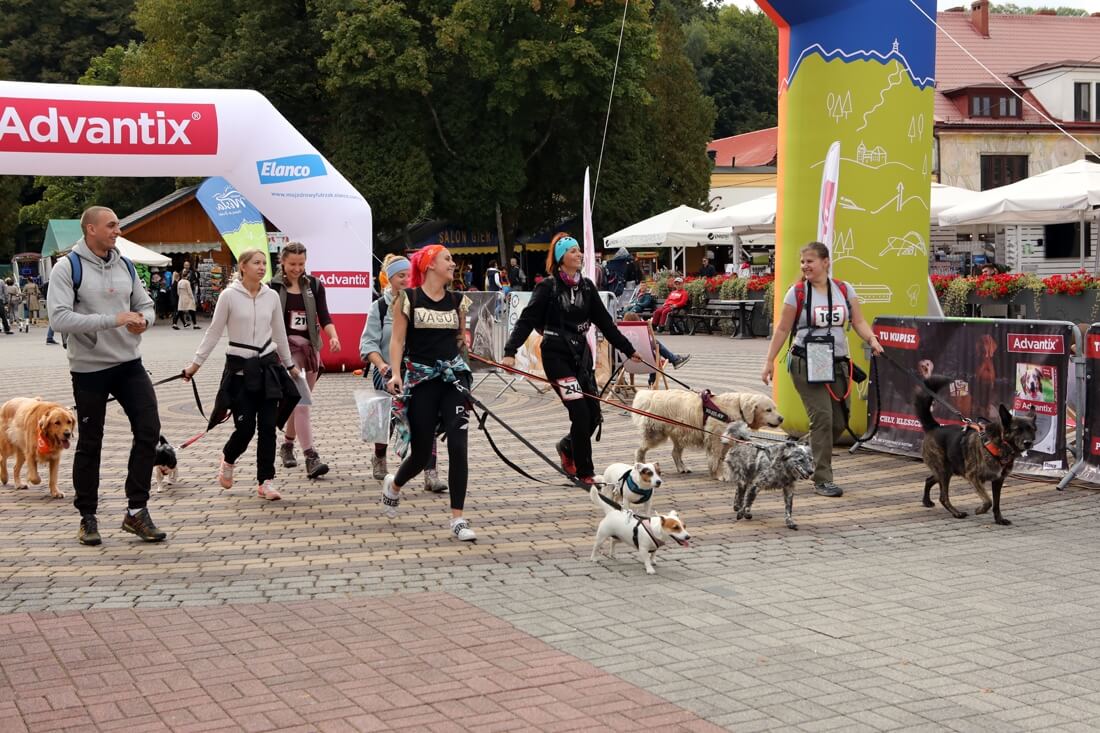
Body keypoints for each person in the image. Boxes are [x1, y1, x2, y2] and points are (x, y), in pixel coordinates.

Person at [46, 205, 166, 545]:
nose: (118, 231)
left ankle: (136, 511)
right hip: (89, 368)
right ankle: (87, 516)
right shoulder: (67, 268)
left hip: (129, 363)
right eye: (111, 226)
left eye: (118, 226)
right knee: (91, 442)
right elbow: (59, 319)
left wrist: (145, 321)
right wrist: (112, 319)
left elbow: (145, 305)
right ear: (90, 230)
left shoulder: (125, 263)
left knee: (149, 430)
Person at [503, 233, 640, 484]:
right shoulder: (548, 287)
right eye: (573, 251)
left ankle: (567, 447)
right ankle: (585, 472)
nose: (579, 254)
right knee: (579, 412)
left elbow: (606, 324)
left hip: (581, 357)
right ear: (560, 258)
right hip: (556, 356)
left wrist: (629, 350)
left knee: (594, 415)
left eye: (579, 250)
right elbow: (527, 320)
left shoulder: (587, 287)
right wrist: (509, 352)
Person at [761, 241, 883, 498]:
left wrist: (871, 340)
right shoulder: (797, 293)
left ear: (826, 262)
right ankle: (822, 479)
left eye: (810, 261)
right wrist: (769, 361)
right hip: (807, 360)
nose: (805, 266)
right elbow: (783, 328)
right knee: (823, 418)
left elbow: (858, 320)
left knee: (839, 421)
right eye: (803, 262)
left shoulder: (843, 289)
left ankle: (797, 454)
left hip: (837, 361)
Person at [184, 248, 300, 501]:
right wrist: (195, 365)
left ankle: (265, 481)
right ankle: (228, 459)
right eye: (256, 263)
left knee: (268, 428)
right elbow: (213, 333)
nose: (261, 267)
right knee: (245, 428)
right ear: (243, 267)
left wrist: (290, 365)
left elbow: (280, 334)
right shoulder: (228, 296)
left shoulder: (271, 296)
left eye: (264, 263)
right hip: (239, 371)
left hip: (268, 368)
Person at [383, 244, 477, 541]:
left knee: (458, 446)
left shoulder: (458, 301)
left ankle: (458, 519)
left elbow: (460, 341)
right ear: (429, 265)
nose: (453, 264)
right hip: (422, 381)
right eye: (447, 259)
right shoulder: (407, 299)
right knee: (422, 454)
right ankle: (394, 485)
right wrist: (395, 373)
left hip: (452, 380)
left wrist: (467, 356)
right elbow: (397, 341)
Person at [359, 254, 448, 492]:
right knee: (384, 416)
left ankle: (431, 472)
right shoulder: (379, 307)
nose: (406, 280)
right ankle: (379, 456)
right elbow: (368, 344)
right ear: (389, 279)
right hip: (387, 369)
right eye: (401, 276)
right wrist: (381, 366)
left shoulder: (419, 303)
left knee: (426, 419)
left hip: (418, 371)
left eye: (410, 275)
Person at [270, 241, 340, 479]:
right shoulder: (272, 287)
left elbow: (325, 315)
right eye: (292, 264)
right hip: (285, 352)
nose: (297, 268)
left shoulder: (315, 286)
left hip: (310, 350)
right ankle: (311, 455)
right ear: (282, 262)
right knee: (302, 402)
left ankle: (287, 445)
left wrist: (333, 336)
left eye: (301, 264)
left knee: (298, 401)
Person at [622, 312, 691, 382]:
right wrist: (650, 333)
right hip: (646, 363)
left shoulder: (621, 336)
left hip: (626, 363)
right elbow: (655, 345)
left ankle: (674, 359)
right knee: (656, 352)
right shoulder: (642, 336)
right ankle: (673, 360)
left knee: (655, 352)